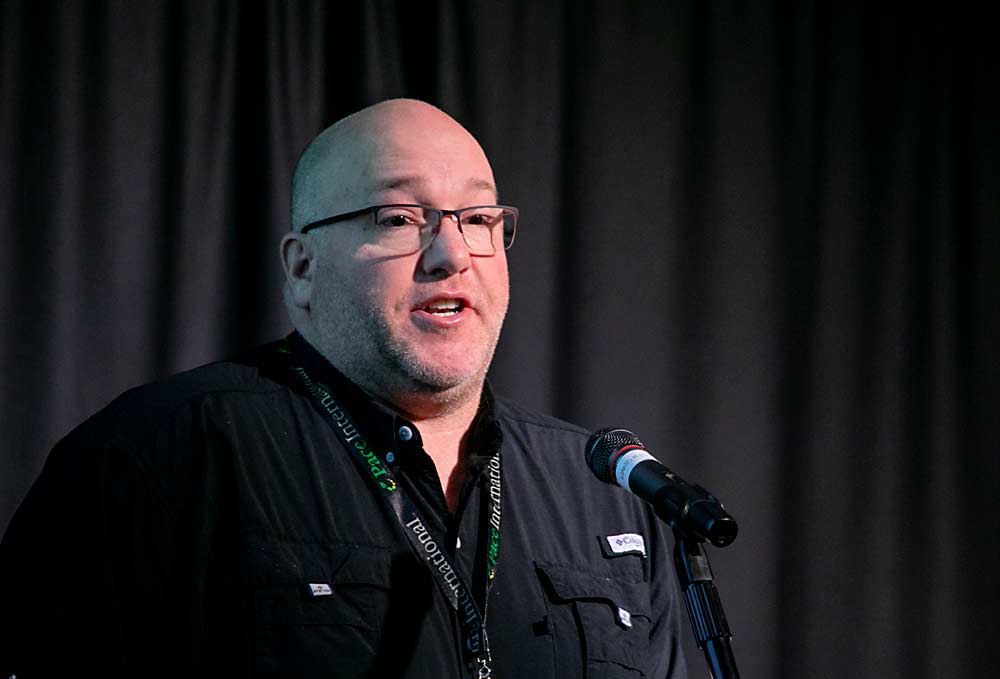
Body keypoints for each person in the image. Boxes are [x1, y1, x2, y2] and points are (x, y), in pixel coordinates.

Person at [0, 99, 688, 678]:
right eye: (397, 219)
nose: (451, 254)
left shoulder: (606, 492)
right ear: (302, 270)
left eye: (478, 220)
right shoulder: (157, 456)